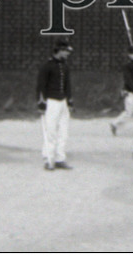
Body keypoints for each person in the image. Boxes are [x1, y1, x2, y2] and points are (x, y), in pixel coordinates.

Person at [36, 39, 74, 170]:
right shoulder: (48, 66)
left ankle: (60, 158)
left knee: (64, 131)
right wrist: (41, 103)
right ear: (60, 50)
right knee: (51, 131)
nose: (68, 54)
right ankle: (48, 158)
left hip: (62, 101)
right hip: (51, 101)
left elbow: (67, 85)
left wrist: (69, 101)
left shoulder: (65, 66)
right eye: (66, 51)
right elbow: (41, 86)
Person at [110, 49, 133, 137]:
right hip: (130, 92)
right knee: (129, 112)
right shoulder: (127, 66)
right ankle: (115, 123)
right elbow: (128, 79)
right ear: (129, 55)